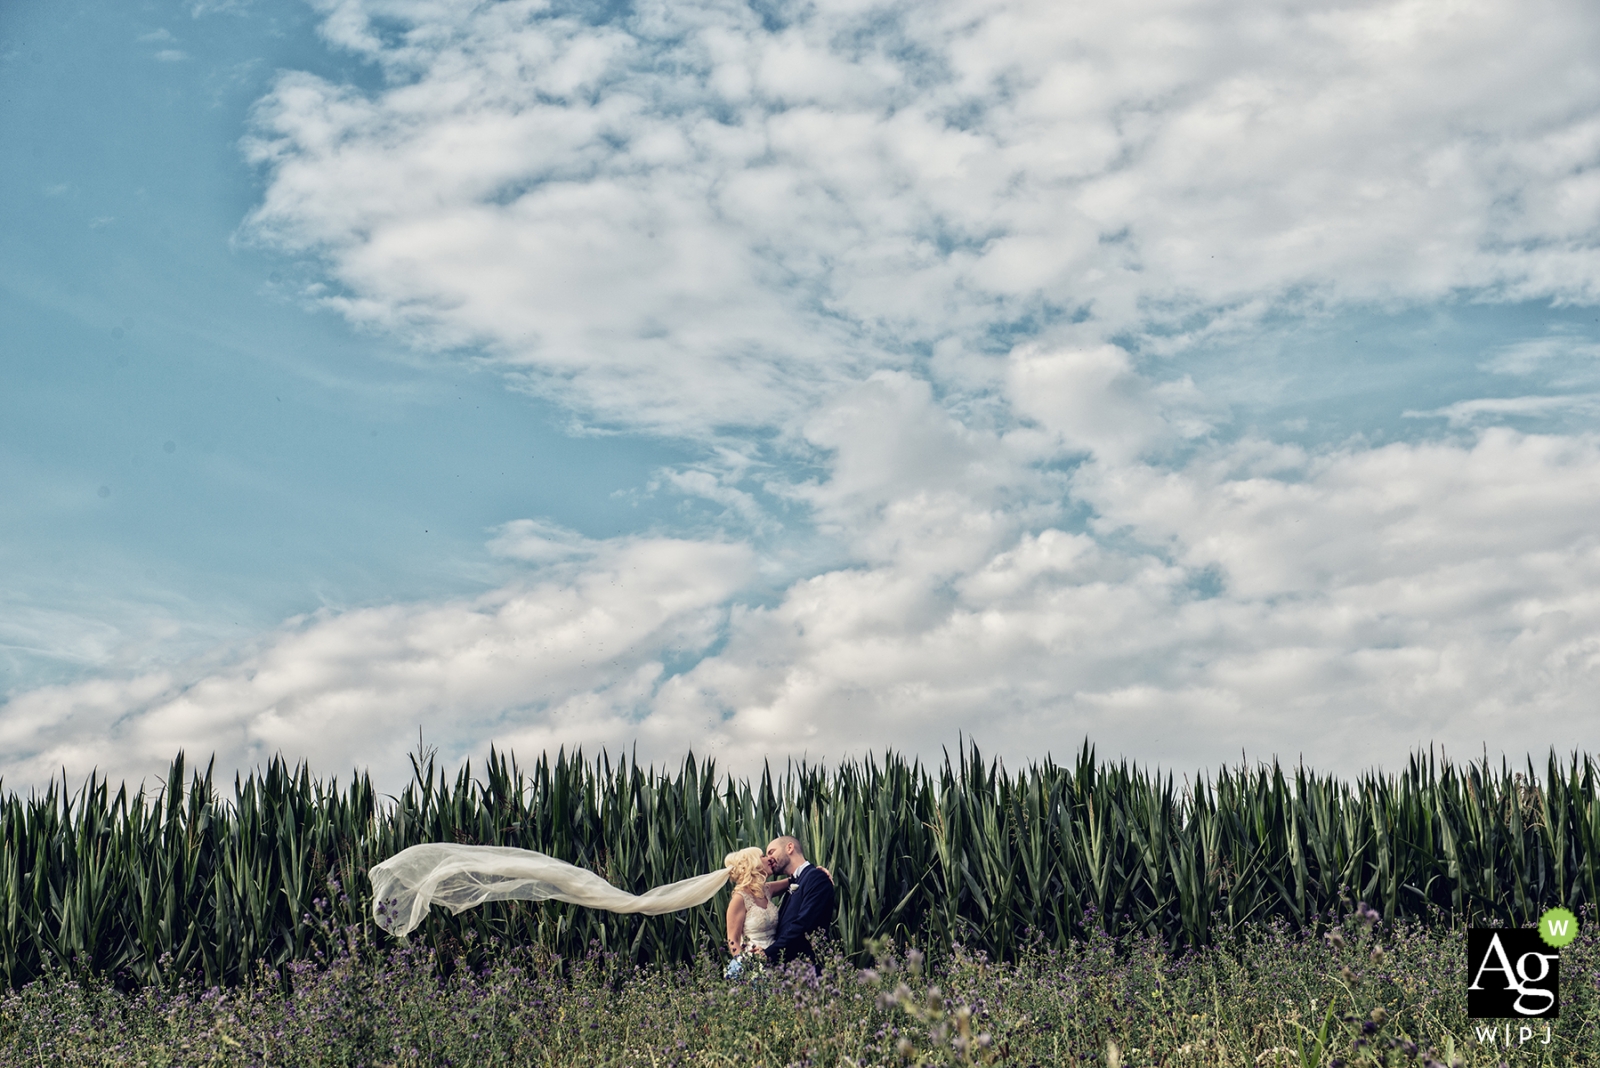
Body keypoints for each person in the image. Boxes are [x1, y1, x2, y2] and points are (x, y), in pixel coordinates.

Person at [761, 835, 835, 967]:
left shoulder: (817, 878)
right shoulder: (797, 880)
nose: (769, 859)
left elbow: (804, 924)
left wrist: (768, 954)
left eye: (771, 852)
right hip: (790, 970)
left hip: (808, 970)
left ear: (790, 847)